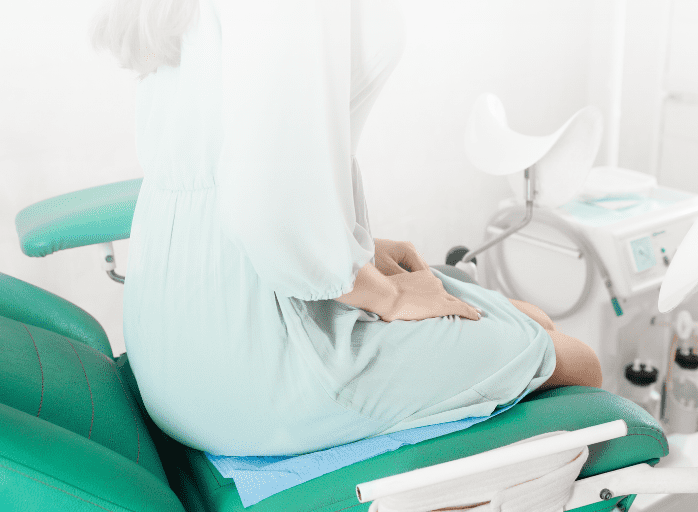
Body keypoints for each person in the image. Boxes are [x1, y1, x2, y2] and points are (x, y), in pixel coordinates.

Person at [92, 0, 601, 457]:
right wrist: (384, 295)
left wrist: (359, 252)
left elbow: (228, 163)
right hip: (248, 364)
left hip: (177, 339)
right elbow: (264, 196)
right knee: (574, 361)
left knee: (530, 319)